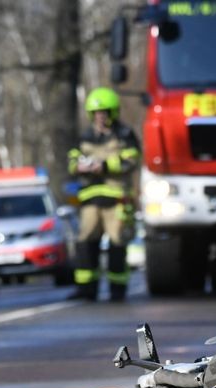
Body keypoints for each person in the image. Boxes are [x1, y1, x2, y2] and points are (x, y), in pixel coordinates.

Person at [67, 87, 141, 302]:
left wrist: (105, 165)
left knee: (117, 243)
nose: (101, 117)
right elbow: (72, 160)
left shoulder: (124, 135)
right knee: (86, 242)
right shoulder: (85, 137)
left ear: (113, 113)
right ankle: (86, 289)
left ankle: (117, 290)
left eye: (105, 112)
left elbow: (132, 159)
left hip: (117, 199)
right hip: (90, 199)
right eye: (97, 113)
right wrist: (79, 167)